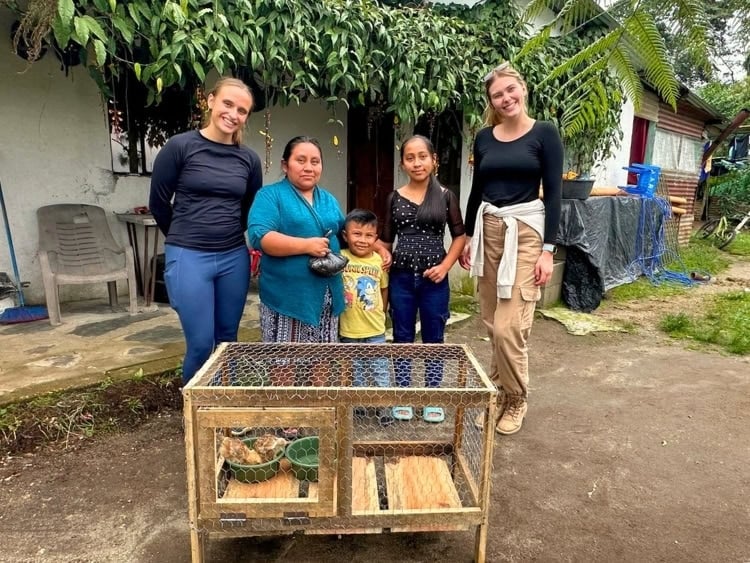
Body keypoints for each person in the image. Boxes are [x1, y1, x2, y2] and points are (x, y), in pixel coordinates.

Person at [460, 62, 563, 435]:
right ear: (491, 101)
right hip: (488, 229)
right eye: (497, 95)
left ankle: (516, 397)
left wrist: (549, 250)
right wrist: (469, 237)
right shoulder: (485, 137)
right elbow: (476, 190)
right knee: (491, 323)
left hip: (526, 231)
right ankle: (497, 393)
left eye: (509, 90)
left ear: (523, 88)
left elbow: (554, 193)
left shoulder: (545, 134)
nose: (505, 99)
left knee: (508, 327)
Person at [149, 77, 262, 385]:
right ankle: (194, 418)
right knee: (200, 344)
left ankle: (225, 412)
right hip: (189, 256)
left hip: (232, 258)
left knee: (229, 342)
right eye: (228, 104)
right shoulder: (180, 147)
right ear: (211, 101)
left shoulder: (249, 160)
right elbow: (158, 203)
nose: (233, 114)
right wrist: (183, 238)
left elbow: (248, 209)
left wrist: (226, 235)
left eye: (242, 110)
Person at [381, 134, 466, 423]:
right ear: (403, 163)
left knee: (434, 337)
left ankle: (432, 397)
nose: (416, 162)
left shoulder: (445, 196)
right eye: (410, 157)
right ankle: (403, 396)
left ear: (434, 160)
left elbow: (459, 236)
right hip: (402, 279)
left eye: (422, 156)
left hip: (434, 281)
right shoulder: (394, 197)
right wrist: (381, 254)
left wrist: (445, 267)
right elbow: (386, 240)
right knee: (402, 337)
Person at [339, 209, 394, 427]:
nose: (362, 240)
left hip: (375, 330)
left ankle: (385, 406)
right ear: (345, 235)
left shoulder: (379, 263)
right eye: (357, 234)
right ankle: (359, 404)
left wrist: (381, 314)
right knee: (356, 369)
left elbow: (384, 290)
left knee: (379, 369)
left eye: (369, 235)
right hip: (348, 329)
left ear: (376, 237)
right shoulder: (341, 257)